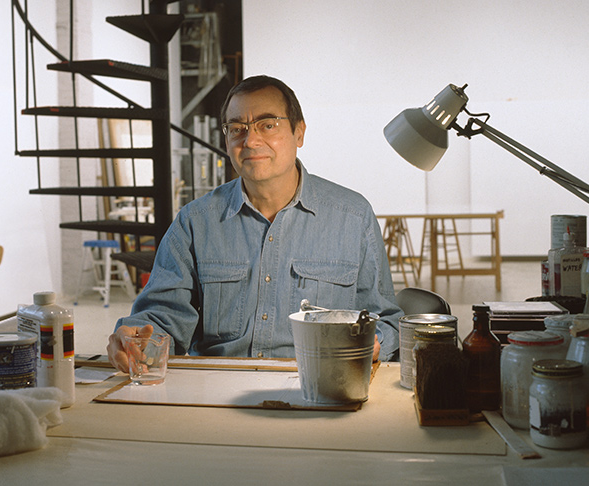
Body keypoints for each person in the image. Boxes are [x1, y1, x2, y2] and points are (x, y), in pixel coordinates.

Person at [107, 75, 402, 372]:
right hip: (219, 392)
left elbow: (386, 320)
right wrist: (136, 337)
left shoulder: (352, 216)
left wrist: (373, 342)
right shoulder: (195, 222)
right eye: (237, 129)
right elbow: (161, 317)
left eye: (268, 124)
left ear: (299, 133)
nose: (250, 141)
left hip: (319, 388)